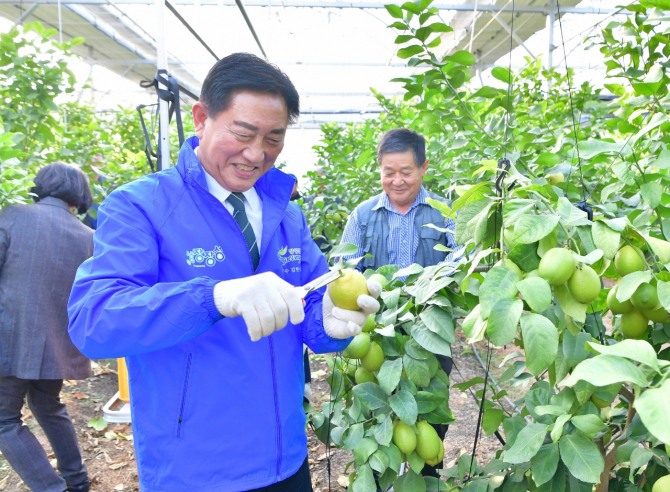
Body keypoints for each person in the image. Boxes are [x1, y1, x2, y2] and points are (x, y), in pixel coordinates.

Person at [67, 52, 381, 492]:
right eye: (243, 132)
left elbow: (311, 306)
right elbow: (95, 319)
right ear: (201, 117)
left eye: (274, 137)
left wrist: (332, 321)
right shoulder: (142, 206)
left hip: (284, 458)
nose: (257, 154)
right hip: (195, 468)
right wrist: (215, 297)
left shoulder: (286, 215)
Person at [339, 128, 459, 478]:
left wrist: (433, 286)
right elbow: (346, 268)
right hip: (378, 332)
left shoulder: (443, 213)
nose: (397, 180)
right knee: (378, 408)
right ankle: (379, 477)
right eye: (388, 172)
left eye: (406, 171)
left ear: (423, 168)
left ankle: (427, 478)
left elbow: (459, 261)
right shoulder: (363, 216)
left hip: (430, 329)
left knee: (431, 406)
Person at [0, 162, 94, 492]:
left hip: (9, 339)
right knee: (48, 405)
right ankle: (77, 481)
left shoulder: (11, 215)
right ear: (80, 196)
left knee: (4, 419)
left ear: (40, 185)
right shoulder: (88, 237)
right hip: (57, 343)